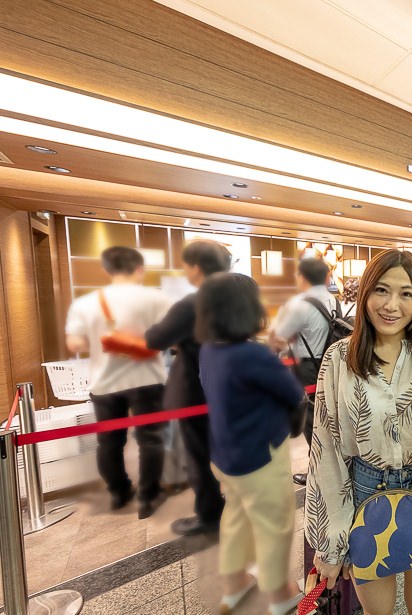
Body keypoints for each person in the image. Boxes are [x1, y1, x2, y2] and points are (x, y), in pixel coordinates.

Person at [306, 250, 412, 615]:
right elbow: (326, 450)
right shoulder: (339, 359)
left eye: (406, 294)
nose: (392, 305)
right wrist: (331, 542)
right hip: (365, 491)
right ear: (364, 295)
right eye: (381, 290)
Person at [196, 273, 304, 615]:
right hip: (260, 455)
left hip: (225, 453)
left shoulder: (209, 349)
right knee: (275, 524)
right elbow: (293, 394)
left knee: (237, 517)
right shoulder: (253, 355)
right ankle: (282, 595)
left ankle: (235, 583)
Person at [65, 247, 172, 518]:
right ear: (139, 269)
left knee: (109, 442)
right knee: (151, 440)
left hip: (104, 383)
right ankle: (148, 496)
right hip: (147, 379)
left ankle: (119, 492)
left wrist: (104, 340)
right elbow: (170, 336)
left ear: (106, 270)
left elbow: (74, 343)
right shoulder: (156, 299)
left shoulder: (86, 303)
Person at [144, 240, 231, 536]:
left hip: (196, 389)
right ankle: (230, 506)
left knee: (197, 454)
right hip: (226, 387)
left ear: (196, 268)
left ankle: (209, 514)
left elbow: (154, 339)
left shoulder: (192, 303)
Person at [267, 257, 335, 485]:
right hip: (330, 362)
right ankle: (329, 468)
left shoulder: (298, 304)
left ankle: (316, 472)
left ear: (302, 277)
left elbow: (276, 339)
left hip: (307, 368)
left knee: (311, 420)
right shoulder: (333, 299)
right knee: (328, 417)